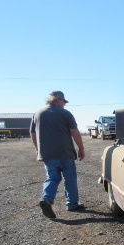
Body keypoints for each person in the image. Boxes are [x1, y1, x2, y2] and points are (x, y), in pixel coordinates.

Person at [30, 91, 85, 219]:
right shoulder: (65, 114)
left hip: (47, 154)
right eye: (64, 102)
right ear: (58, 99)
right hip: (65, 153)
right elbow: (75, 132)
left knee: (52, 178)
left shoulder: (38, 113)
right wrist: (81, 148)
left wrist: (38, 150)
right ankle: (72, 204)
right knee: (70, 178)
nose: (64, 105)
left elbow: (32, 133)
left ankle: (46, 199)